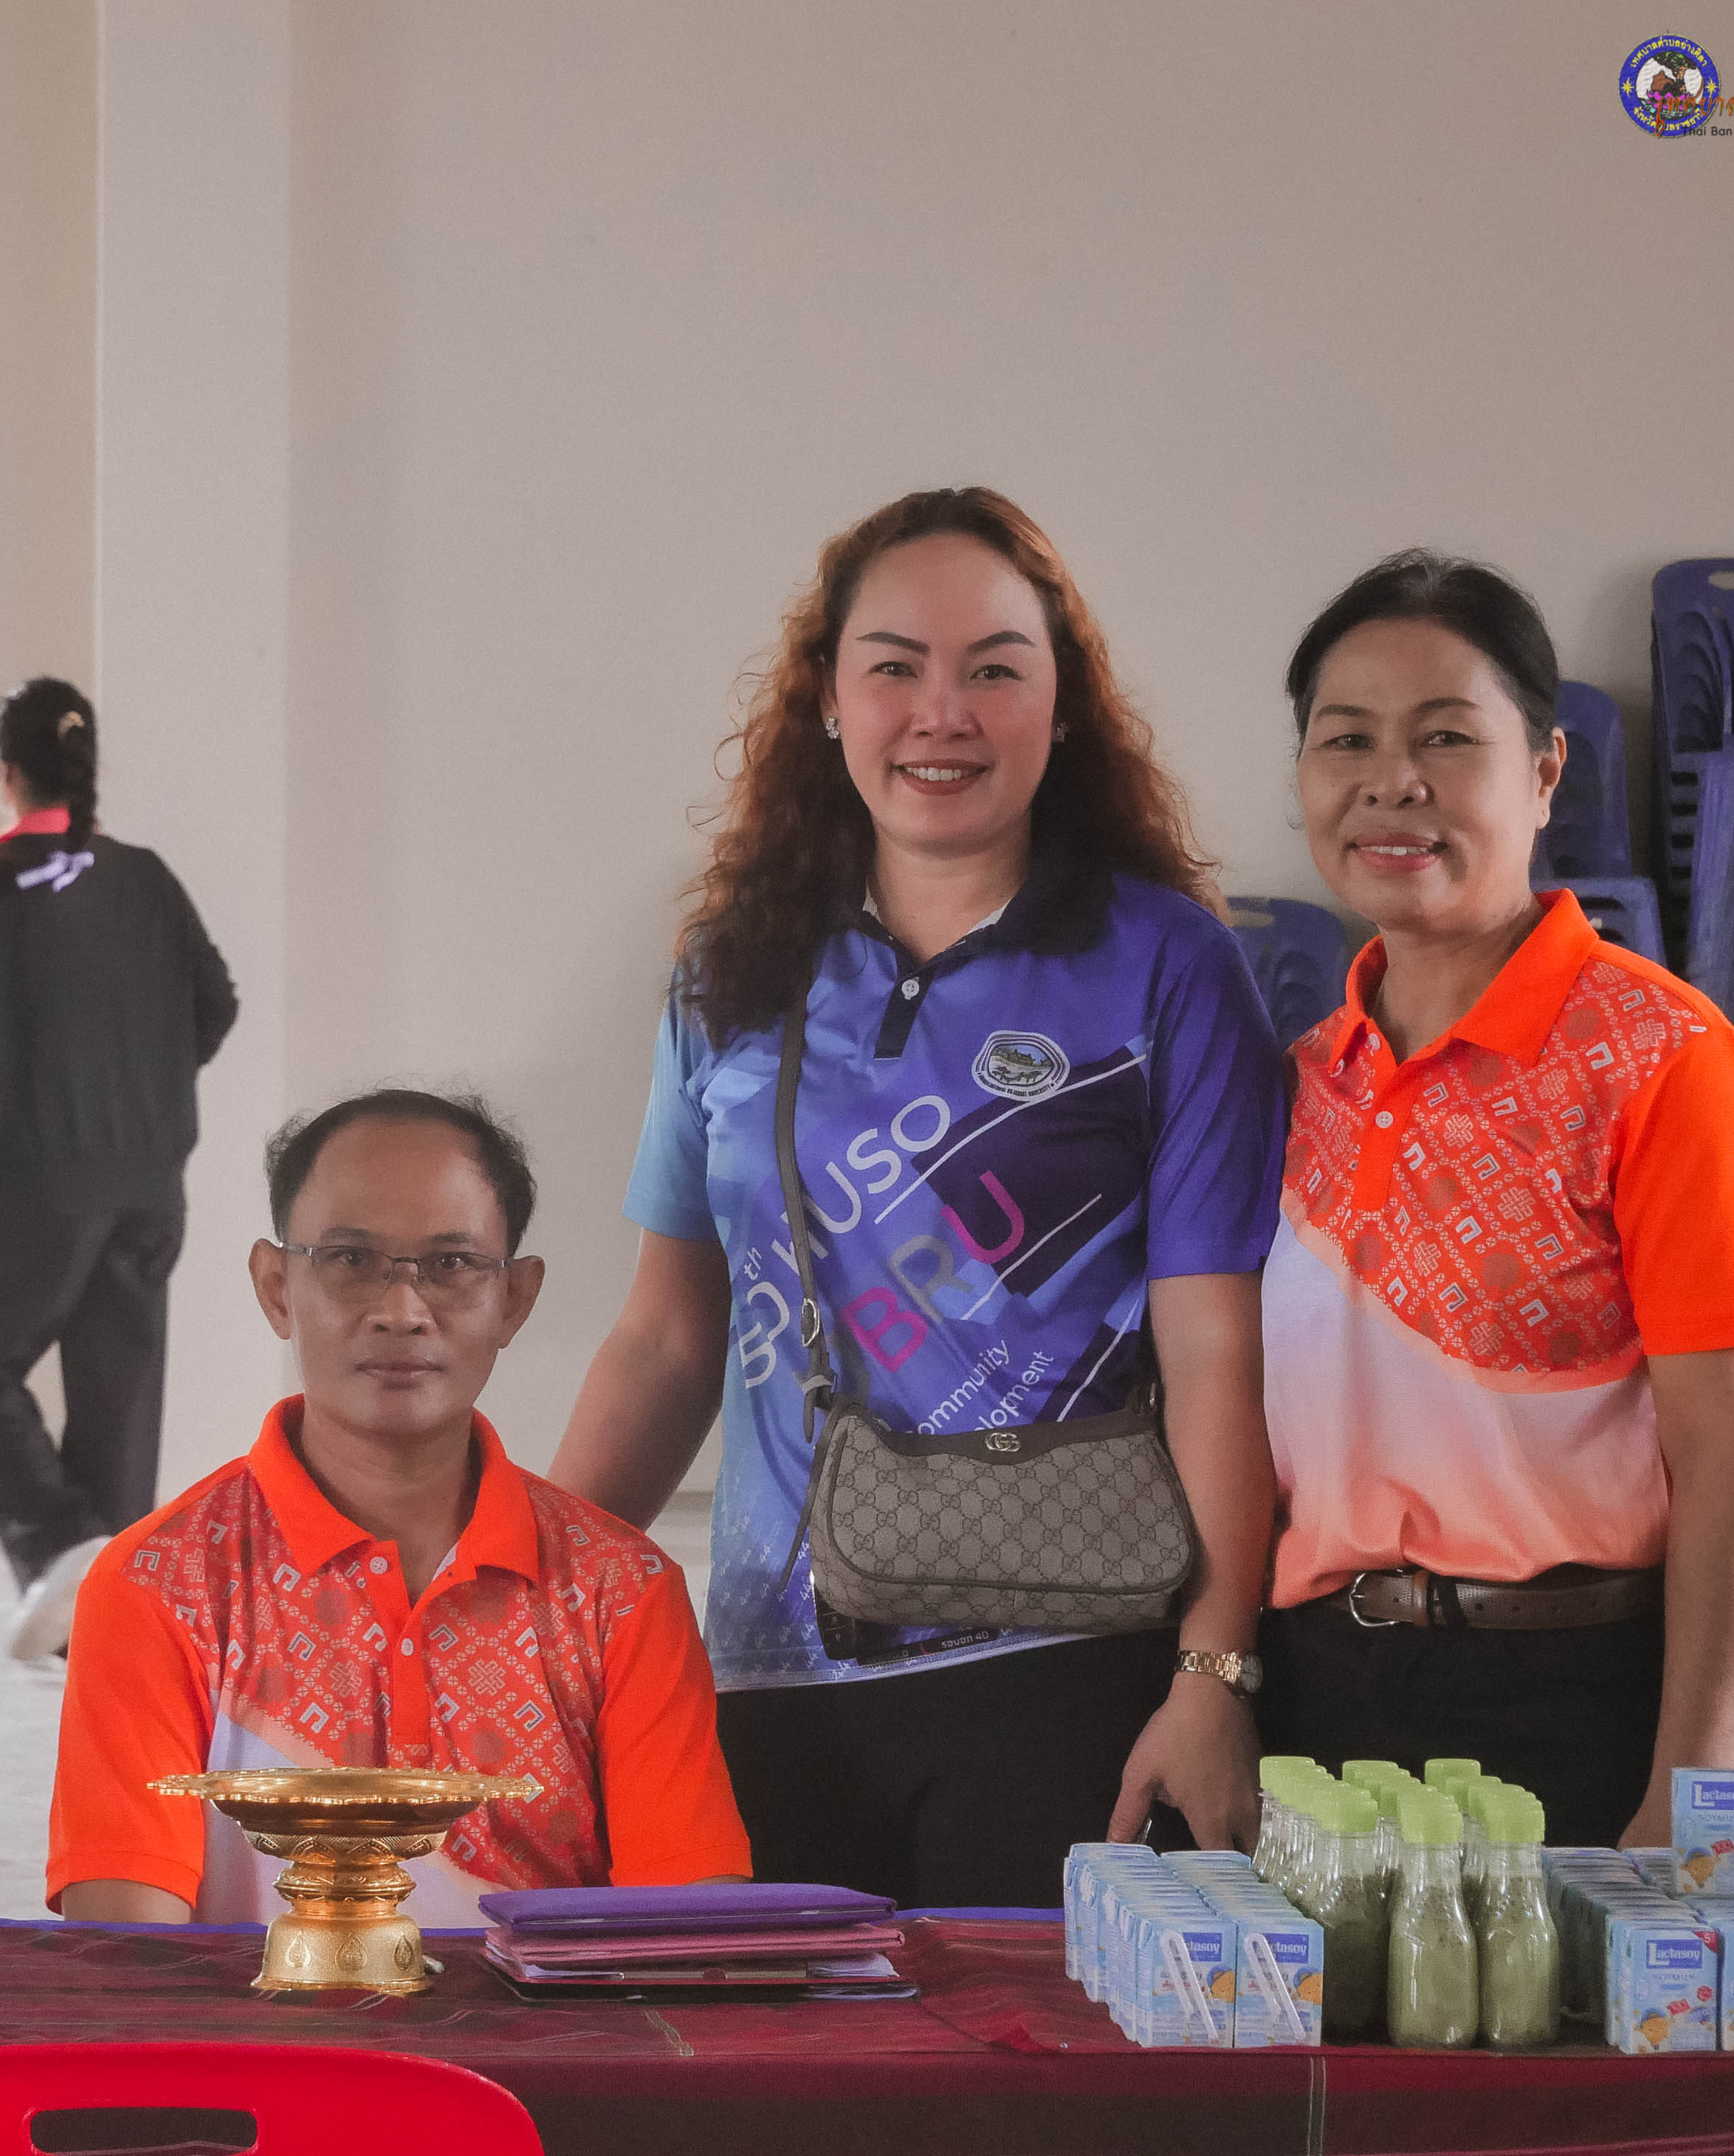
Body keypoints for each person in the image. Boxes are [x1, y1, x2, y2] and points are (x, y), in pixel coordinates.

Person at [545, 486, 1285, 1909]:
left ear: (1060, 707)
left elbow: (1214, 1351)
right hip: (768, 1668)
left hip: (1065, 1661)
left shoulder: (1165, 966)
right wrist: (518, 1606)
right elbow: (664, 1340)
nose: (939, 713)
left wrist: (1211, 1671)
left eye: (993, 669)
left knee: (1030, 2048)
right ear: (827, 699)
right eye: (893, 666)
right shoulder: (727, 975)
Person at [1263, 551, 1734, 1848]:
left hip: (1575, 1705)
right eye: (1347, 739)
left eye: (1446, 738)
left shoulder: (1661, 1060)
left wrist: (1691, 1790)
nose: (1393, 781)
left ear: (1545, 771)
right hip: (1317, 1701)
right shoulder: (1305, 1081)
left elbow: (1732, 1454)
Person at [49, 1091, 751, 1923]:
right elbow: (130, 1963)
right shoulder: (156, 1586)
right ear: (276, 1287)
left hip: (548, 2020)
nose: (401, 1311)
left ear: (515, 1299)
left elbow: (685, 1941)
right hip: (248, 2019)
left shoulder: (623, 1593)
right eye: (350, 1259)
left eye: (451, 1264)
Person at [0, 676, 239, 1664]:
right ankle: (112, 1624)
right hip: (148, 1179)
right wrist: (142, 1085)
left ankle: (67, 1547)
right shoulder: (144, 878)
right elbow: (217, 1003)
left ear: (6, 774)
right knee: (118, 1400)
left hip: (31, 1176)